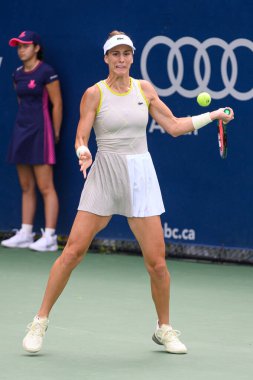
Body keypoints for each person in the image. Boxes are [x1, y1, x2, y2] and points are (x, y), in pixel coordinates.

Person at [22, 30, 234, 354]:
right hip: (105, 174)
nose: (121, 59)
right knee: (73, 251)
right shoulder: (94, 93)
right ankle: (39, 321)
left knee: (157, 263)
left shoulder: (144, 89)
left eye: (126, 54)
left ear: (132, 57)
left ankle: (164, 329)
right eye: (115, 54)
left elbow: (175, 126)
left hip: (140, 176)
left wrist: (213, 115)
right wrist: (83, 151)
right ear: (106, 58)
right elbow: (81, 136)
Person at [1, 31, 62, 252]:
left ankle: (50, 236)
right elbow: (21, 102)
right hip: (21, 131)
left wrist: (54, 133)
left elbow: (57, 104)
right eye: (18, 46)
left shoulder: (47, 72)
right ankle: (26, 233)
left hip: (41, 132)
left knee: (46, 186)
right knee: (26, 186)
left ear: (36, 48)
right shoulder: (17, 74)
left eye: (25, 46)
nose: (21, 50)